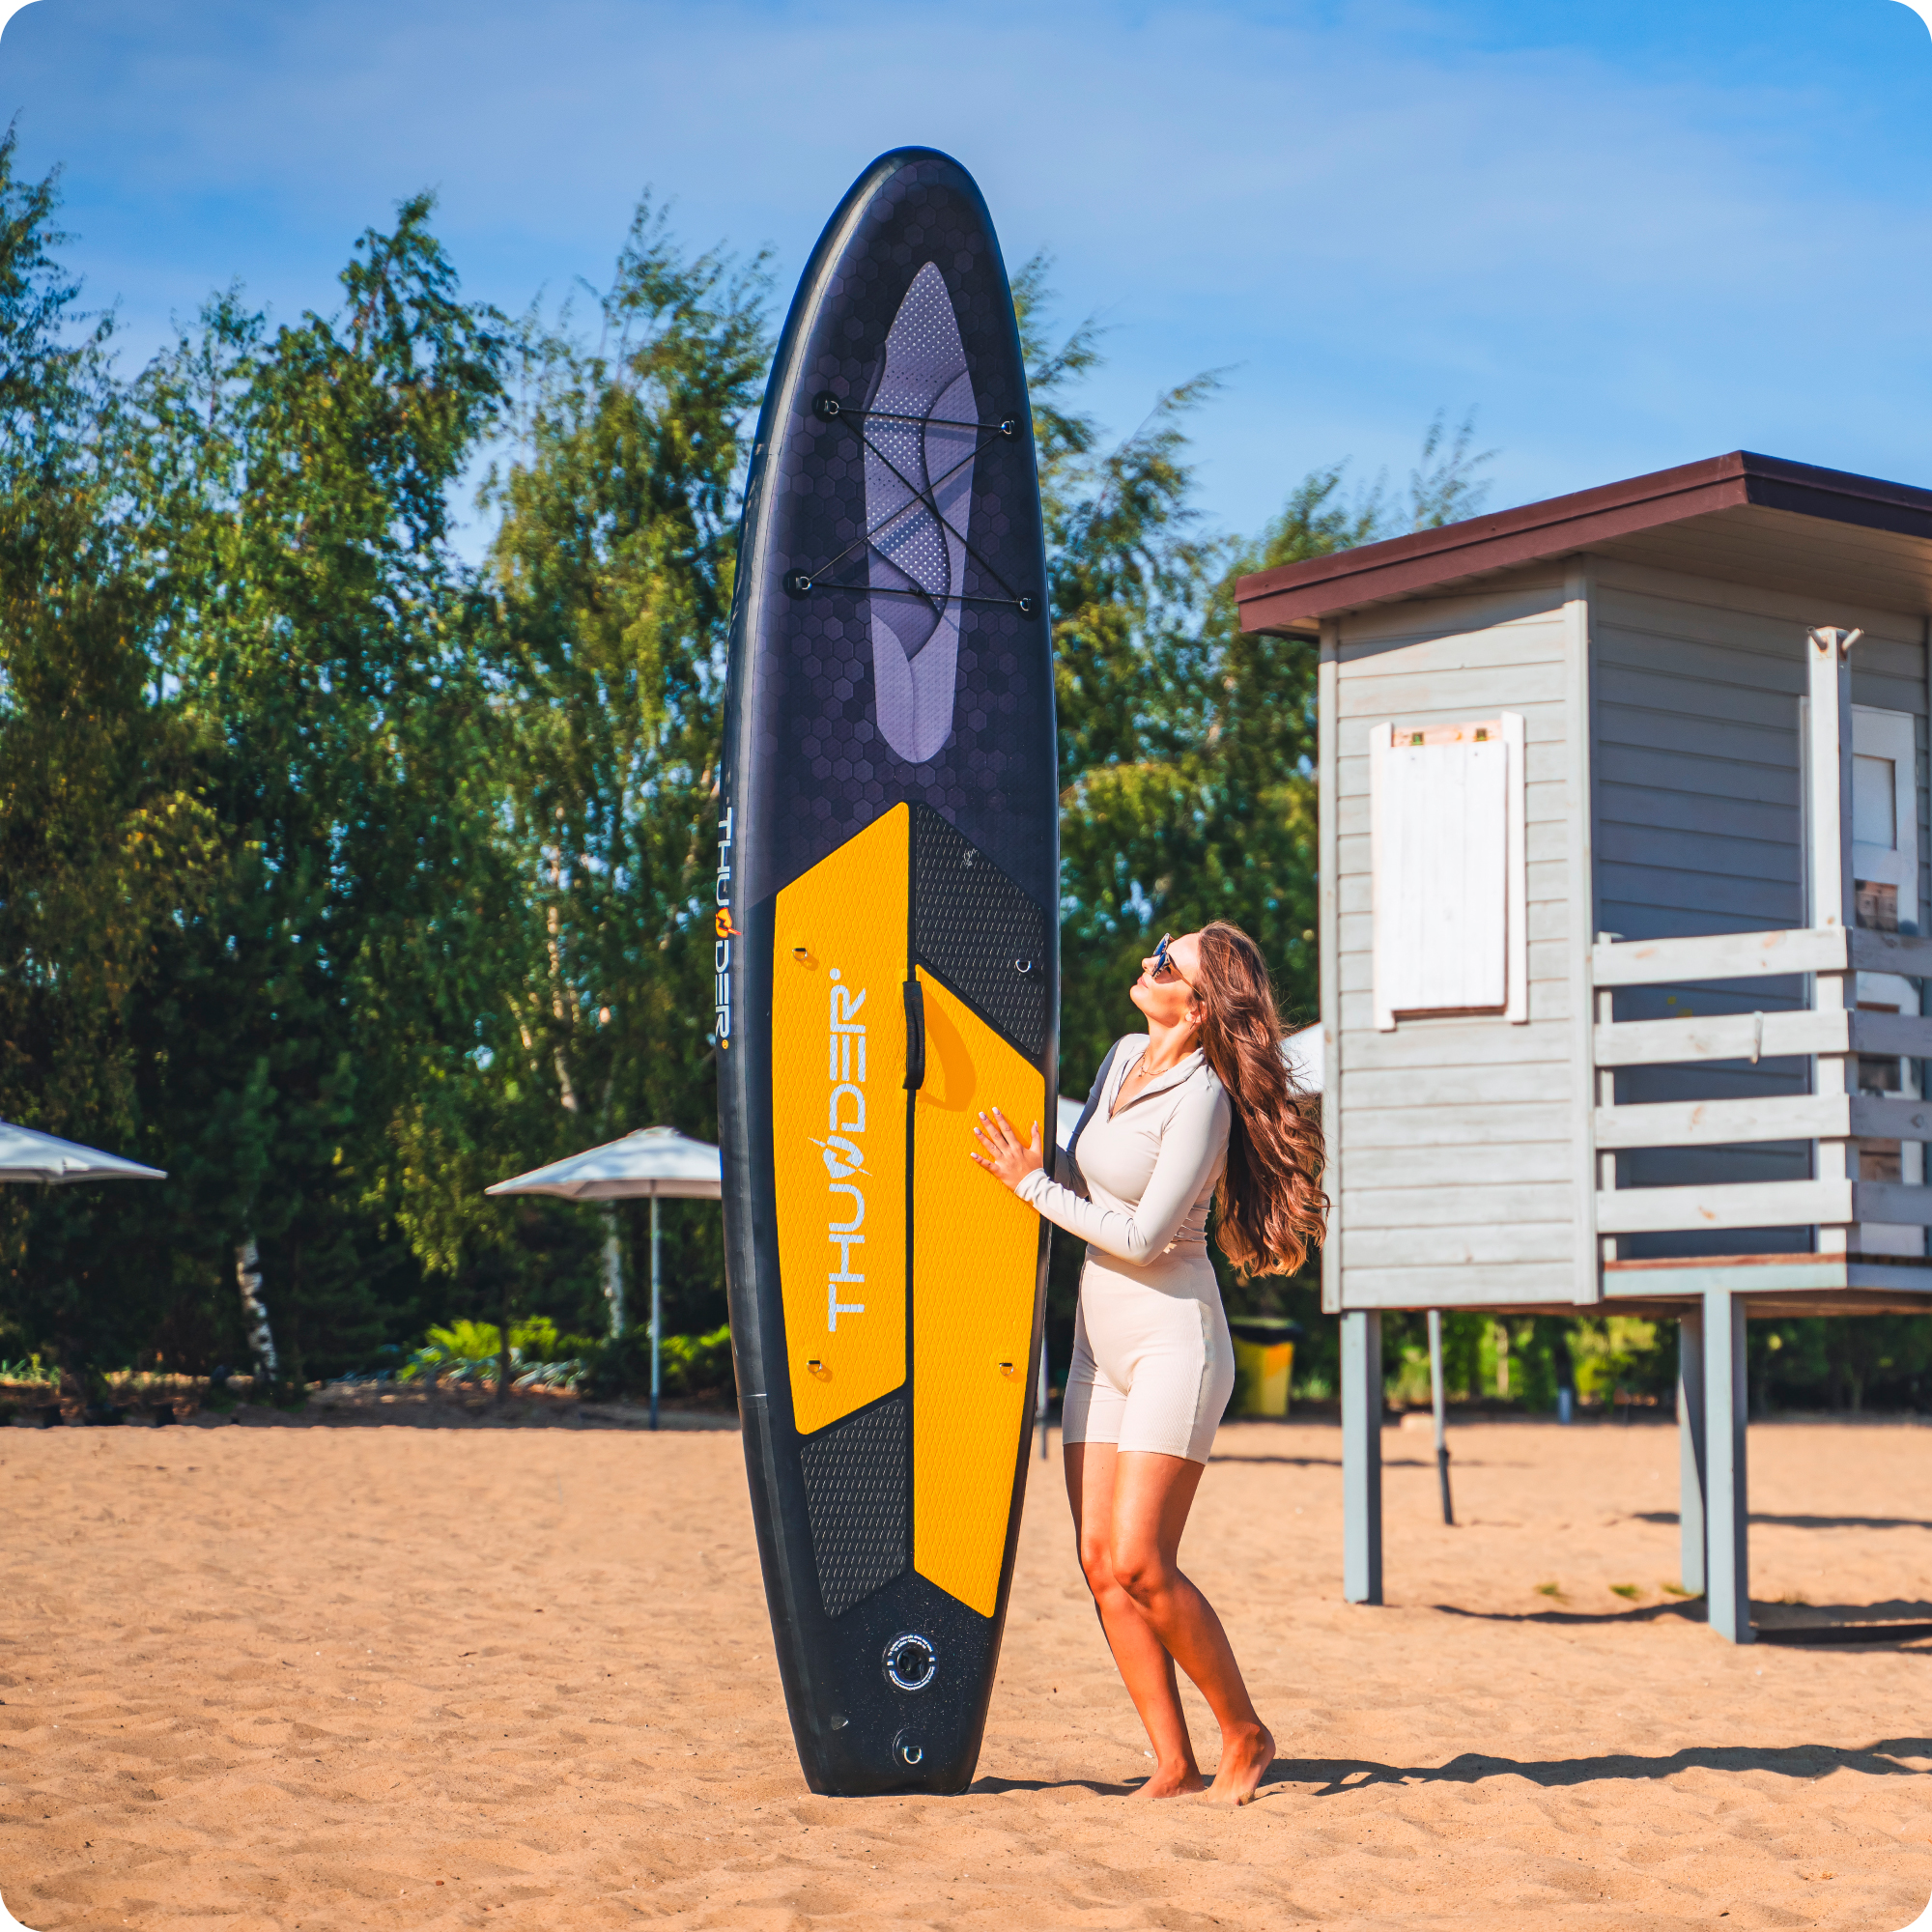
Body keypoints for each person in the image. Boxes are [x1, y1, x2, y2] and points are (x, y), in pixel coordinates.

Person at [970, 923, 1326, 1804]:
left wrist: (1030, 1186)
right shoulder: (1125, 1053)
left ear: (1199, 1004)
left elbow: (1141, 1233)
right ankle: (1172, 1761)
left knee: (1143, 1560)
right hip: (1099, 1344)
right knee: (1099, 1562)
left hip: (1175, 1340)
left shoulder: (1202, 1096)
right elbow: (1088, 1178)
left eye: (1167, 963)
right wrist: (1020, 1167)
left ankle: (1246, 1732)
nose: (1148, 962)